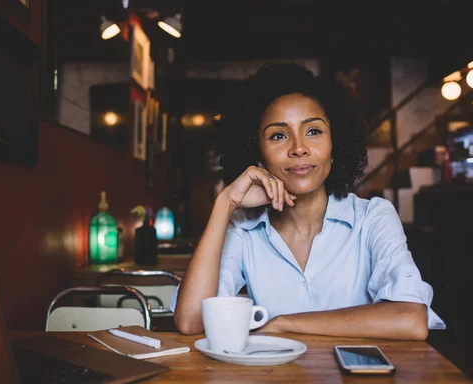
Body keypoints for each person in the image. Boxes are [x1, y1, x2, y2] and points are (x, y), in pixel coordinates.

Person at [171, 62, 445, 340]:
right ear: (257, 155)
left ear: (335, 144)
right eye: (278, 135)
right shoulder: (243, 230)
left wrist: (283, 323)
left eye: (313, 131)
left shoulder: (373, 217)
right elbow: (191, 321)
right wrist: (225, 203)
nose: (299, 148)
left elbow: (410, 319)